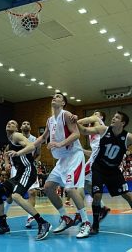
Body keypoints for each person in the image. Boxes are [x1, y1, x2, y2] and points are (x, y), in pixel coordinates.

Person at [35, 93, 91, 239]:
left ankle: (86, 222)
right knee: (47, 187)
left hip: (74, 156)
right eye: (53, 96)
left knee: (70, 189)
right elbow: (43, 137)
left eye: (58, 97)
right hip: (62, 160)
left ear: (63, 103)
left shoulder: (66, 115)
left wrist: (59, 144)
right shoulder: (49, 120)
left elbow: (77, 134)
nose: (54, 97)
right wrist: (29, 147)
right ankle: (65, 218)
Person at [0, 120, 51, 241]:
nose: (9, 124)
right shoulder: (10, 140)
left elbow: (31, 146)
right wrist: (7, 162)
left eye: (13, 123)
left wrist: (18, 153)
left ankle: (42, 222)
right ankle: (3, 225)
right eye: (8, 123)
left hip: (28, 171)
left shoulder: (17, 135)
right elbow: (7, 154)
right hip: (19, 173)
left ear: (17, 128)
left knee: (16, 196)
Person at [77, 111, 132, 234]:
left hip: (113, 170)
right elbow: (85, 131)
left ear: (122, 123)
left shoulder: (127, 137)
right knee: (97, 195)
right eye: (113, 116)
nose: (113, 118)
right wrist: (75, 121)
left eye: (117, 117)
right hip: (99, 167)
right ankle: (95, 225)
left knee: (127, 195)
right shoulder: (103, 129)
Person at [76, 110, 110, 221]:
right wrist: (81, 150)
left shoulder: (97, 120)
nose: (93, 115)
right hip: (96, 156)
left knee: (81, 182)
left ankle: (80, 213)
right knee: (87, 184)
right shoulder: (95, 130)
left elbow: (82, 122)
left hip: (98, 157)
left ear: (101, 117)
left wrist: (72, 121)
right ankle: (102, 207)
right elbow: (93, 152)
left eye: (96, 113)